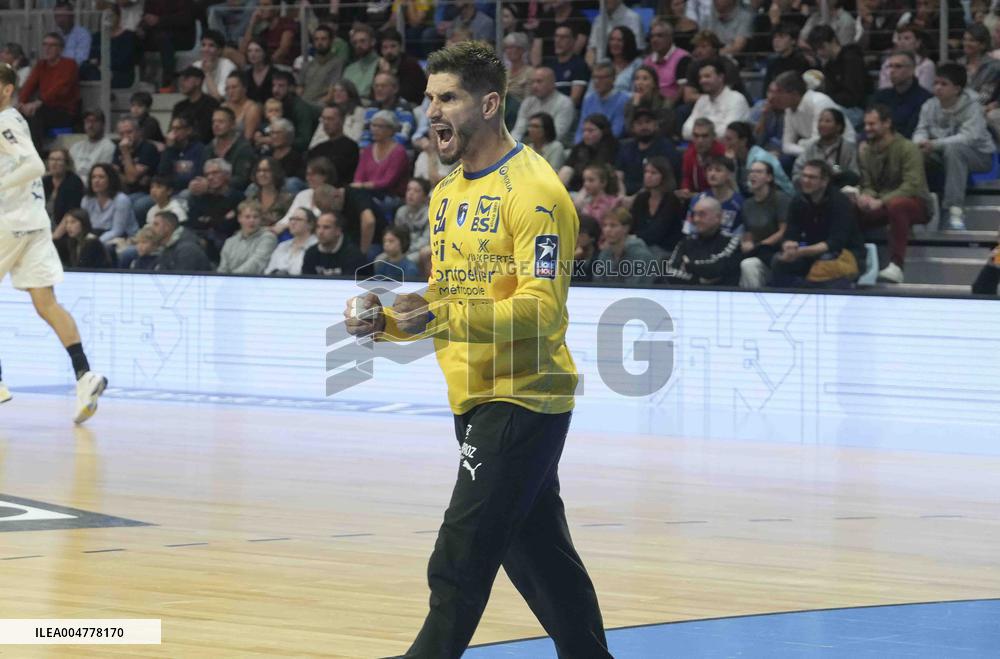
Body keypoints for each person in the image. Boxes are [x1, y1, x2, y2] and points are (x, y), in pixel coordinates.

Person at [342, 41, 611, 658]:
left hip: (524, 397)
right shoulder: (446, 193)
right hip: (473, 395)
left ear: (489, 105)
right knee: (539, 557)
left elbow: (541, 309)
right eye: (429, 98)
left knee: (459, 557)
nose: (431, 111)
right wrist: (387, 322)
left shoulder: (536, 191)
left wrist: (442, 313)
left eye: (448, 98)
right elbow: (446, 293)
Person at [0, 63, 107, 422]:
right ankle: (84, 374)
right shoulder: (15, 120)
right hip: (34, 223)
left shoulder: (4, 120)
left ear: (7, 90)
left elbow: (34, 165)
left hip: (10, 221)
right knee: (46, 304)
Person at [913, 62, 996, 230]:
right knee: (914, 152)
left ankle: (954, 209)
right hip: (941, 153)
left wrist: (934, 144)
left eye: (944, 84)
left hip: (979, 156)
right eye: (936, 83)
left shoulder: (973, 106)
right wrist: (920, 143)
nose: (937, 88)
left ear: (957, 89)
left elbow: (968, 138)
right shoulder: (929, 105)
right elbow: (920, 130)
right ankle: (918, 206)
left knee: (954, 150)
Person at [854, 105, 931, 284]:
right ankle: (854, 261)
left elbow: (912, 185)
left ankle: (896, 265)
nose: (867, 128)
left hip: (915, 203)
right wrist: (866, 196)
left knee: (897, 205)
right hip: (882, 202)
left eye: (872, 124)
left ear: (887, 123)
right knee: (850, 207)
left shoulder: (908, 148)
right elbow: (868, 184)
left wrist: (881, 201)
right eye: (865, 124)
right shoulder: (866, 151)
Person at [771, 159, 866, 288]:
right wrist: (788, 246)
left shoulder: (840, 202)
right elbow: (790, 233)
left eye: (812, 177)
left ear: (824, 181)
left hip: (846, 254)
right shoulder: (798, 201)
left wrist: (801, 252)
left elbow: (835, 243)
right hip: (812, 252)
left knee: (823, 267)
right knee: (779, 261)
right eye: (804, 176)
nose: (806, 181)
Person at [661, 195, 742, 286]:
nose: (696, 219)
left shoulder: (732, 241)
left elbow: (716, 269)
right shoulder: (686, 242)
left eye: (702, 214)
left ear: (718, 217)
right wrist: (699, 281)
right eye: (694, 214)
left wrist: (688, 265)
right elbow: (669, 271)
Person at [17, 32, 79, 149]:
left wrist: (38, 102)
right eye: (45, 45)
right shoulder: (41, 65)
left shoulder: (69, 64)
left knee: (35, 116)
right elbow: (28, 86)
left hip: (64, 111)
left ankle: (36, 154)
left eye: (52, 45)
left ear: (60, 49)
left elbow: (60, 89)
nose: (47, 48)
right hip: (43, 107)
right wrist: (21, 104)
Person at [739, 160, 790, 288]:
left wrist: (761, 245)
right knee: (742, 263)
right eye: (751, 172)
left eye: (758, 172)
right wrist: (747, 242)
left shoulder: (781, 199)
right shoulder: (747, 204)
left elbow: (783, 230)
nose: (753, 175)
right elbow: (748, 231)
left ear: (769, 177)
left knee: (749, 264)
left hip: (777, 251)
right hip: (756, 252)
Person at [628, 156, 684, 257]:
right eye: (646, 172)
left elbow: (657, 233)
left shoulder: (671, 200)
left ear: (664, 176)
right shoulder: (641, 198)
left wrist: (632, 238)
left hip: (665, 249)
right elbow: (632, 224)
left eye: (653, 173)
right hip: (641, 245)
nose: (648, 176)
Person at [871, 50, 934, 140]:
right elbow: (868, 123)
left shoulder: (925, 99)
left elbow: (911, 132)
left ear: (912, 70)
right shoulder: (881, 96)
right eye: (890, 66)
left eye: (898, 66)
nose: (892, 71)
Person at [681, 59, 750, 140]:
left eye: (707, 76)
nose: (702, 81)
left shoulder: (736, 99)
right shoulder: (702, 100)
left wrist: (700, 133)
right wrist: (706, 134)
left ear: (721, 77)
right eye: (700, 77)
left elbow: (727, 134)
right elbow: (685, 131)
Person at [791, 108, 859, 185]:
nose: (822, 124)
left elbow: (855, 174)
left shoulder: (848, 148)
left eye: (827, 121)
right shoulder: (811, 148)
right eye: (820, 121)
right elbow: (797, 171)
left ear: (838, 127)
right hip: (812, 188)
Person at [591, 206, 656, 285]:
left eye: (613, 225)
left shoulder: (641, 255)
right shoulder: (604, 254)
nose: (607, 230)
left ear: (626, 228)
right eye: (604, 225)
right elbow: (598, 283)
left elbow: (637, 286)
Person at [511, 67, 576, 146]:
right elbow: (518, 130)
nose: (534, 86)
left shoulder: (564, 103)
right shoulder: (528, 102)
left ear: (551, 83)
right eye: (533, 82)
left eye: (539, 81)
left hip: (557, 146)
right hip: (531, 144)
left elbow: (558, 134)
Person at [79, 163, 137, 247]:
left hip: (121, 237)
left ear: (110, 180)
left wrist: (95, 242)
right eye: (93, 177)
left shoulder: (121, 200)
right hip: (95, 234)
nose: (96, 181)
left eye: (101, 177)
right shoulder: (87, 199)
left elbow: (117, 230)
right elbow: (84, 225)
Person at [217, 200, 277, 274]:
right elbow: (222, 269)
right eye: (247, 217)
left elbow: (256, 264)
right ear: (239, 218)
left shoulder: (268, 238)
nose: (252, 220)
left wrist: (231, 278)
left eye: (255, 217)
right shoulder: (230, 242)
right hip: (230, 279)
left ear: (260, 219)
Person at [308, 104, 360, 187]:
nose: (326, 123)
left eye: (330, 119)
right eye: (324, 119)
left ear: (342, 120)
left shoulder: (350, 147)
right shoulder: (318, 148)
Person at [576, 63, 629, 144]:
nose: (596, 81)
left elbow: (617, 131)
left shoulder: (624, 99)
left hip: (609, 145)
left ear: (613, 79)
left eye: (601, 78)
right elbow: (580, 129)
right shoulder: (588, 99)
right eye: (594, 77)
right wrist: (579, 146)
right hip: (587, 144)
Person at [301, 210, 365, 276]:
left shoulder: (353, 254)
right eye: (318, 227)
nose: (320, 232)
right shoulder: (311, 253)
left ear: (338, 230)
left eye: (326, 227)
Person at [644, 17, 691, 104]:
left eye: (659, 36)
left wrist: (667, 107)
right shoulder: (647, 61)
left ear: (670, 38)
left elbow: (682, 88)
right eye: (652, 36)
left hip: (672, 105)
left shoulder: (683, 58)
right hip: (650, 103)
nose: (654, 40)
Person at [544, 24, 592, 106]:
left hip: (567, 110)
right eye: (556, 36)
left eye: (563, 37)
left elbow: (575, 99)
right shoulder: (549, 66)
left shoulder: (579, 65)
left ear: (573, 41)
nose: (558, 41)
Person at [172, 66, 221, 145]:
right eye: (180, 80)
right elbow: (172, 132)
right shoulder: (179, 107)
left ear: (198, 81)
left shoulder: (211, 104)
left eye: (186, 79)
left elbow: (206, 134)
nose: (181, 83)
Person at [299, 25, 345, 107]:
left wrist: (311, 106)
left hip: (322, 107)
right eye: (316, 39)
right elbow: (299, 89)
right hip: (304, 105)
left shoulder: (337, 63)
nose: (319, 43)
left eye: (323, 39)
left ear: (331, 41)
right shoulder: (308, 64)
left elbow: (331, 95)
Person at [265, 208, 317, 275]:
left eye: (298, 219)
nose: (293, 222)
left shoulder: (316, 247)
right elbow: (269, 271)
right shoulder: (282, 246)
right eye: (291, 219)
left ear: (310, 224)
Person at [245, 157, 294, 226]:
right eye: (258, 171)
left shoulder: (287, 199)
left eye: (266, 170)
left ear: (275, 173)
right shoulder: (251, 197)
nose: (261, 174)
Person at [42, 148, 84, 227]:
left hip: (66, 227)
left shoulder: (74, 182)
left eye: (58, 160)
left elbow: (71, 214)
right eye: (52, 159)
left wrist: (55, 234)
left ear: (66, 163)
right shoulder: (45, 181)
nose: (54, 163)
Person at [195, 29, 238, 102]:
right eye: (203, 45)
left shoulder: (228, 66)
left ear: (219, 50)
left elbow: (218, 98)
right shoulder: (196, 66)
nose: (206, 49)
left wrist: (207, 73)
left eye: (211, 46)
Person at [224, 71, 263, 142]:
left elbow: (247, 140)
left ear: (244, 88)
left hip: (242, 146)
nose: (230, 92)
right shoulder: (224, 107)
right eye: (228, 88)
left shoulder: (252, 109)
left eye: (234, 87)